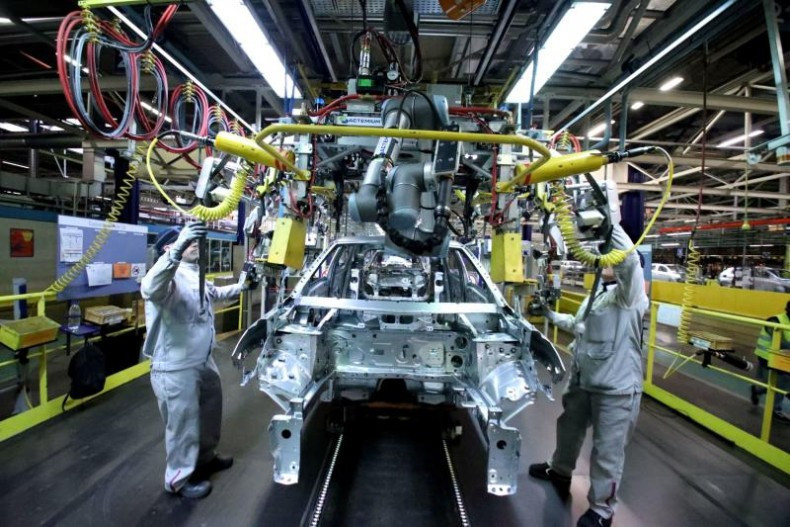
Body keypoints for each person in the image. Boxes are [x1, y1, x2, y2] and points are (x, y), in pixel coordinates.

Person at [529, 224, 648, 527]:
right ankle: (560, 470)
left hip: (616, 388)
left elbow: (629, 262)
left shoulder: (631, 297)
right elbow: (579, 323)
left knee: (607, 450)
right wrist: (551, 315)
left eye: (610, 258)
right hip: (584, 378)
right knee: (568, 427)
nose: (604, 260)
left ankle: (602, 510)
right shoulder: (598, 295)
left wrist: (611, 226)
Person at [142, 222, 245, 499]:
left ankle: (205, 458)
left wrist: (244, 285)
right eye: (188, 242)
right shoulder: (167, 276)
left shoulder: (193, 273)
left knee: (210, 411)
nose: (195, 244)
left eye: (193, 241)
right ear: (169, 248)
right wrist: (177, 249)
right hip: (175, 367)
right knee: (183, 424)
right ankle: (177, 479)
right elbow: (150, 287)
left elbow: (214, 294)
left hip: (201, 360)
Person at [750, 300, 790, 423]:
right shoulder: (775, 320)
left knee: (776, 383)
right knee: (782, 382)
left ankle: (757, 391)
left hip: (780, 357)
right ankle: (775, 409)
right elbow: (780, 342)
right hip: (766, 356)